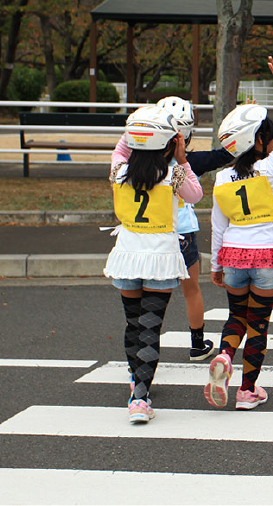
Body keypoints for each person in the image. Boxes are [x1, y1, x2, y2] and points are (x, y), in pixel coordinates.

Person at [111, 96, 233, 362]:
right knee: (191, 290)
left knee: (140, 305)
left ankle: (142, 351)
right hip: (181, 233)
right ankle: (197, 343)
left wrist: (134, 128)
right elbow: (219, 162)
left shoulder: (129, 168)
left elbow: (119, 153)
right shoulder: (182, 167)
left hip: (142, 239)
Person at [205, 53, 273, 411]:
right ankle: (246, 391)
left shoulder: (222, 178)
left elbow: (217, 224)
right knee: (258, 323)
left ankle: (225, 355)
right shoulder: (271, 168)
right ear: (259, 142)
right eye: (269, 139)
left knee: (235, 317)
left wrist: (215, 264)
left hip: (233, 256)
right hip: (266, 256)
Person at [103, 106, 203, 424]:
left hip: (127, 255)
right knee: (150, 329)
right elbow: (196, 194)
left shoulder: (119, 171)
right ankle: (140, 397)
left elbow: (121, 148)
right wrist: (182, 155)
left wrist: (137, 126)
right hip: (160, 257)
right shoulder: (173, 175)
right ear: (169, 143)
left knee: (133, 325)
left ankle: (136, 381)